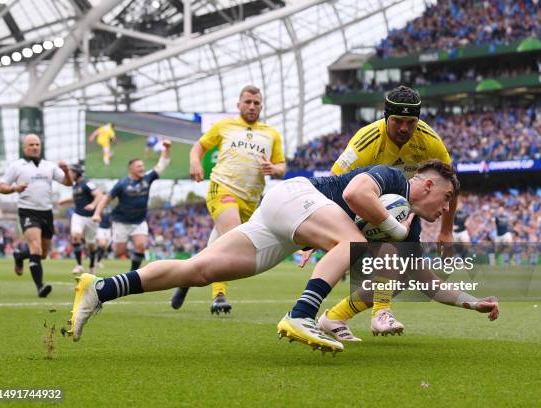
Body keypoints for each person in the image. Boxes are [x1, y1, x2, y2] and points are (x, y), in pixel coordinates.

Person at [67, 160, 499, 354]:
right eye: (445, 198)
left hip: (284, 225)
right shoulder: (392, 179)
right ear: (426, 186)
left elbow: (422, 278)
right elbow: (353, 193)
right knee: (355, 248)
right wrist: (393, 228)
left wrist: (471, 303)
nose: (446, 209)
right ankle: (302, 313)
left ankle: (100, 288)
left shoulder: (410, 228)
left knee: (199, 270)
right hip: (297, 195)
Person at [313, 85, 457, 339]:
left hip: (405, 207)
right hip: (365, 207)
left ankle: (338, 317)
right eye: (397, 121)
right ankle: (375, 313)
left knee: (404, 273)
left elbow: (450, 183)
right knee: (393, 267)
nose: (404, 128)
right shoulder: (365, 141)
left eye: (410, 122)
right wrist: (320, 228)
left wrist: (446, 231)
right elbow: (335, 182)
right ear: (385, 118)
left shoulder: (431, 141)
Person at [170, 85, 286, 314]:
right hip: (222, 189)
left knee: (218, 247)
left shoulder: (271, 133)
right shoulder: (224, 126)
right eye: (248, 102)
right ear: (239, 105)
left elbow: (282, 167)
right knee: (233, 240)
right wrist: (195, 162)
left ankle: (186, 276)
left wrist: (274, 168)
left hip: (251, 201)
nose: (252, 106)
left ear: (261, 106)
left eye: (256, 103)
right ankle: (219, 296)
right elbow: (199, 147)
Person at [0, 134, 73, 297]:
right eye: (31, 144)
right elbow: (1, 187)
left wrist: (66, 171)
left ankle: (19, 255)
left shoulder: (49, 166)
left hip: (46, 212)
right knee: (36, 247)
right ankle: (40, 287)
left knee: (43, 254)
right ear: (24, 147)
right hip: (27, 211)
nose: (34, 147)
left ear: (41, 146)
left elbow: (68, 183)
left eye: (37, 144)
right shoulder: (17, 166)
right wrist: (14, 189)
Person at [92, 140, 171, 272]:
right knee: (119, 252)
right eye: (139, 166)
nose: (143, 168)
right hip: (121, 222)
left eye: (143, 166)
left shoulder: (148, 178)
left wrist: (167, 149)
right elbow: (106, 198)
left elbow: (162, 164)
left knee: (141, 245)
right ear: (131, 169)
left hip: (139, 221)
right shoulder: (122, 184)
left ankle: (132, 274)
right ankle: (110, 244)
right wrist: (97, 213)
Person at [58, 164, 104, 275]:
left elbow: (99, 195)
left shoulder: (87, 183)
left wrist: (93, 205)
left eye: (71, 172)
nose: (69, 174)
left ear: (77, 173)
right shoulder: (75, 186)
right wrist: (64, 201)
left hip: (91, 218)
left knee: (91, 244)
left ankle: (92, 267)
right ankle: (79, 265)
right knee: (75, 235)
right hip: (78, 215)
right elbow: (76, 198)